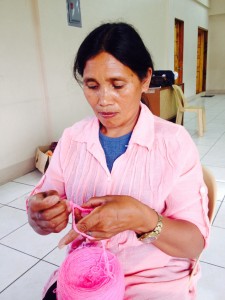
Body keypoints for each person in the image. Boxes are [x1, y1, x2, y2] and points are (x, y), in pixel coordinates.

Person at [27, 22, 210, 300]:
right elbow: (42, 198)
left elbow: (193, 244)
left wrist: (143, 218)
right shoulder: (72, 139)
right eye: (92, 85)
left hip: (154, 282)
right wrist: (39, 216)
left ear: (145, 79)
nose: (103, 100)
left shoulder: (174, 144)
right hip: (88, 278)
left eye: (117, 85)